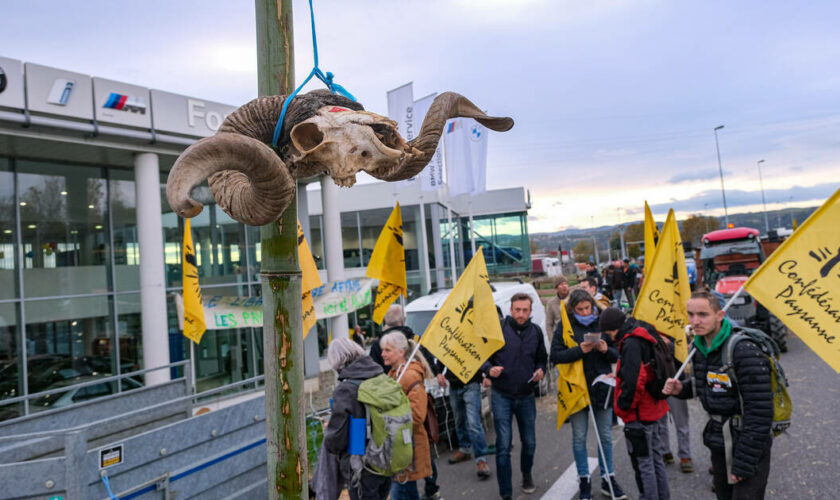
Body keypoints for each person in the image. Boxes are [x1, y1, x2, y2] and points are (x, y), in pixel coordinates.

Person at [663, 290, 774, 500]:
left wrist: (743, 463)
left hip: (747, 444)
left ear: (720, 316)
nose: (695, 321)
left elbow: (760, 413)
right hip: (718, 441)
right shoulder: (699, 347)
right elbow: (712, 386)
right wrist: (682, 389)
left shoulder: (743, 350)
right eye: (691, 314)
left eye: (703, 314)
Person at [551, 290, 626, 500]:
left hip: (601, 387)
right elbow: (555, 355)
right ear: (572, 310)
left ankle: (608, 478)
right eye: (580, 310)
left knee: (605, 437)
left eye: (588, 308)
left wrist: (605, 350)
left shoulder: (603, 322)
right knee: (579, 437)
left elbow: (619, 352)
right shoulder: (564, 326)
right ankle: (584, 480)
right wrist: (578, 351)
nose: (585, 312)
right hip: (576, 389)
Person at [599, 307, 670, 500]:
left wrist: (622, 406)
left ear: (612, 329)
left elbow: (635, 381)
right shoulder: (643, 331)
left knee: (643, 465)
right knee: (656, 461)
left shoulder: (630, 343)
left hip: (640, 414)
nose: (610, 337)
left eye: (608, 332)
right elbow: (640, 372)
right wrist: (621, 376)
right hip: (655, 407)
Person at [482, 293, 547, 500]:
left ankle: (526, 474)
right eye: (517, 310)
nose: (520, 314)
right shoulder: (498, 330)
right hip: (502, 395)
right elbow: (483, 358)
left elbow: (542, 360)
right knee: (503, 445)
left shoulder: (535, 332)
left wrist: (540, 371)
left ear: (530, 311)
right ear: (511, 310)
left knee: (529, 442)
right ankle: (506, 493)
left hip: (527, 396)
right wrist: (489, 370)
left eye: (525, 310)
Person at [322, 338, 390, 500]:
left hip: (362, 467)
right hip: (386, 458)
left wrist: (328, 430)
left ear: (337, 361)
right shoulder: (380, 376)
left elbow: (336, 441)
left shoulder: (346, 390)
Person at [380, 331, 435, 500]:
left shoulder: (410, 375)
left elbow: (417, 416)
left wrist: (387, 415)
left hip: (408, 448)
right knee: (409, 493)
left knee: (401, 490)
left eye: (388, 350)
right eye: (383, 350)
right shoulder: (394, 374)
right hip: (400, 448)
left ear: (401, 352)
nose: (383, 354)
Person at [435, 357, 492, 479]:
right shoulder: (448, 338)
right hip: (454, 385)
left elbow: (482, 355)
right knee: (459, 420)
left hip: (471, 384)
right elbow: (442, 353)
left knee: (474, 424)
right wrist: (439, 372)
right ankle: (465, 449)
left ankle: (482, 460)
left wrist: (487, 374)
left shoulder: (474, 338)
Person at [657, 334, 694, 473]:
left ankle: (685, 456)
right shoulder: (649, 328)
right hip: (659, 382)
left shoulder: (677, 329)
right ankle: (665, 451)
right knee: (660, 422)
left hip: (677, 381)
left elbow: (685, 356)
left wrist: (669, 345)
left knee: (681, 422)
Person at [370, 305, 416, 372]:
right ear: (404, 319)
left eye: (387, 350)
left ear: (385, 320)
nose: (383, 354)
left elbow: (373, 371)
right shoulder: (415, 339)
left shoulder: (377, 344)